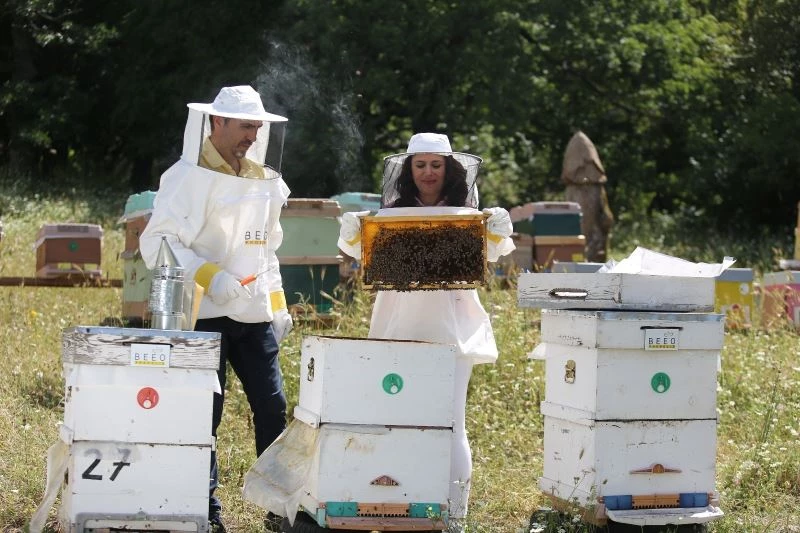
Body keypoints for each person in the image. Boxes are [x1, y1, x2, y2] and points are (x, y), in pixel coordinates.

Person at [337, 132, 514, 529]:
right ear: (409, 170)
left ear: (449, 169)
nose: (429, 172)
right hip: (398, 328)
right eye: (421, 165)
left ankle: (454, 514)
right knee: (397, 419)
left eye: (436, 165)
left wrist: (499, 228)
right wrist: (351, 230)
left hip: (452, 329)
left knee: (452, 424)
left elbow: (496, 250)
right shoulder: (393, 213)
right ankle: (405, 503)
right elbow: (356, 249)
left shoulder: (466, 213)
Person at [140, 85, 294, 532]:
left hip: (253, 315)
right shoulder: (185, 178)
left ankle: (278, 508)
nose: (253, 134)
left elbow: (267, 253)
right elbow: (158, 243)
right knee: (204, 415)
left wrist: (278, 306)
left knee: (273, 408)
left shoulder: (261, 179)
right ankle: (205, 513)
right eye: (246, 125)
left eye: (258, 126)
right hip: (202, 315)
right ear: (217, 122)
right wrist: (214, 278)